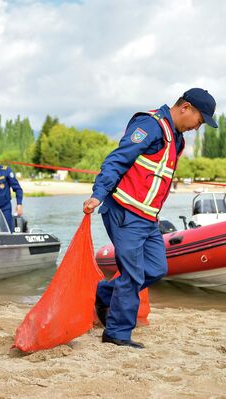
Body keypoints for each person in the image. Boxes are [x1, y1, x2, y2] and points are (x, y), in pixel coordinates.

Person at [83, 88, 218, 348]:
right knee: (132, 275)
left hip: (148, 219)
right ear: (186, 107)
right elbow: (117, 160)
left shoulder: (176, 138)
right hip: (125, 213)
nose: (197, 128)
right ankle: (117, 334)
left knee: (156, 269)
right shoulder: (151, 125)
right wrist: (98, 194)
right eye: (200, 121)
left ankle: (105, 292)